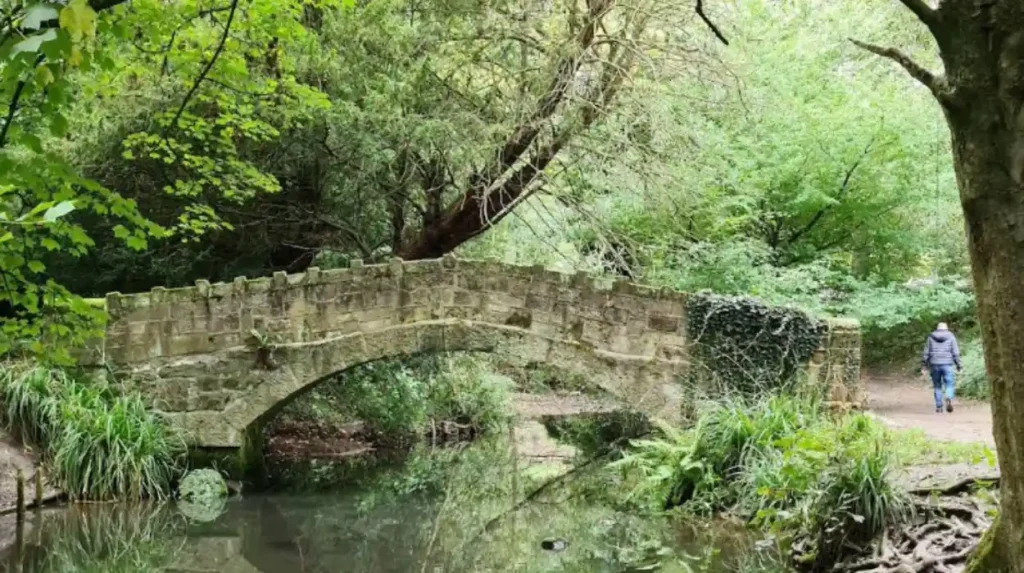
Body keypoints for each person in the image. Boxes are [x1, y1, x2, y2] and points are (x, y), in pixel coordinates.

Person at [921, 322, 961, 413]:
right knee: (949, 384)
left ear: (937, 329)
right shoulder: (951, 336)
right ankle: (949, 397)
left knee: (937, 386)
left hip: (934, 364)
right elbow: (955, 353)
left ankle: (939, 407)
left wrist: (924, 365)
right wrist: (959, 365)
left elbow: (926, 353)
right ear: (946, 328)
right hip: (947, 364)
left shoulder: (931, 337)